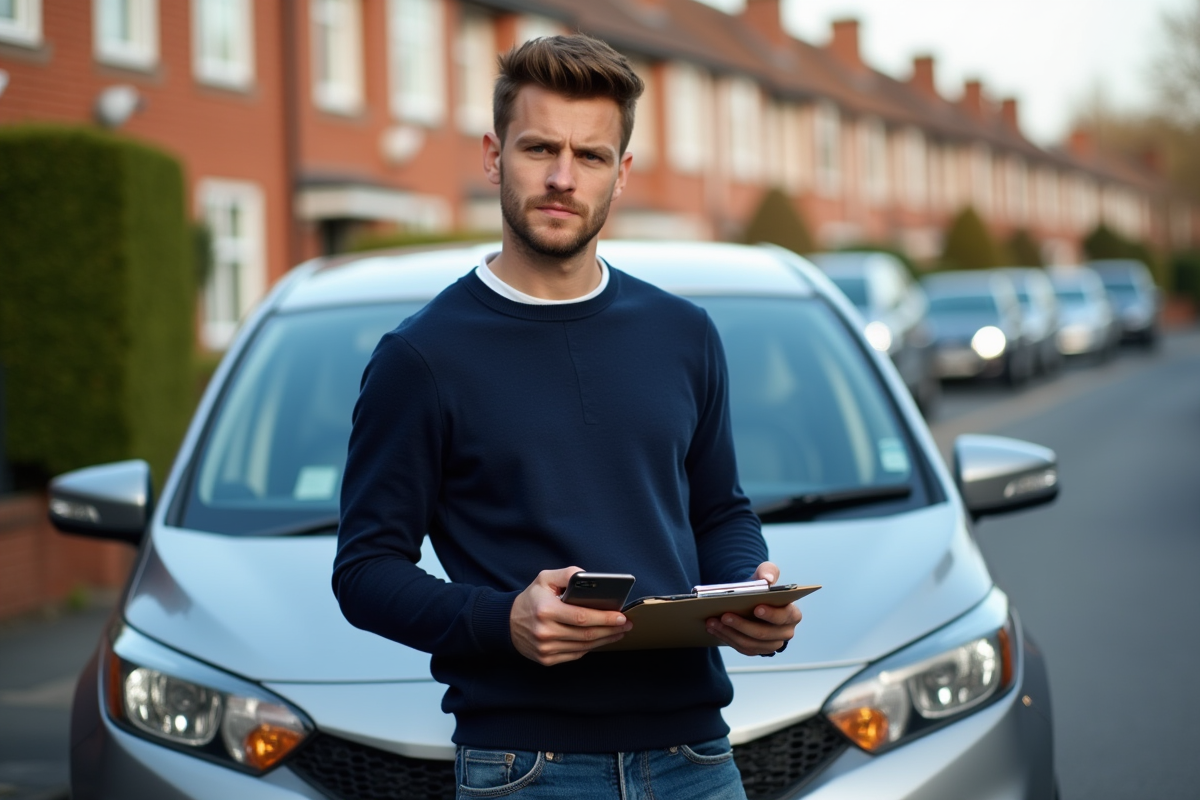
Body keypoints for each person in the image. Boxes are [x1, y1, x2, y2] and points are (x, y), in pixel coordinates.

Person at [332, 33, 801, 799]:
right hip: (526, 766)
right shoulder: (420, 359)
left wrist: (745, 591)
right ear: (492, 156)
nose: (561, 178)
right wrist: (502, 620)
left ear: (621, 175)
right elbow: (364, 571)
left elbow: (720, 510)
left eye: (588, 156)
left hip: (697, 758)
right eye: (538, 148)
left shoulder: (684, 334)